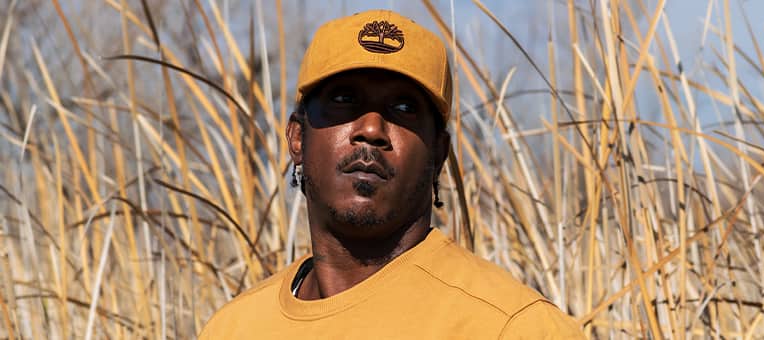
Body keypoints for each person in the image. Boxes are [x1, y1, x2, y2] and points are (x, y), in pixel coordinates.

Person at [199, 9, 583, 339]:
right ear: (298, 138)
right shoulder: (234, 328)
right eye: (344, 100)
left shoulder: (513, 327)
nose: (371, 127)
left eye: (402, 107)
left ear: (439, 153)